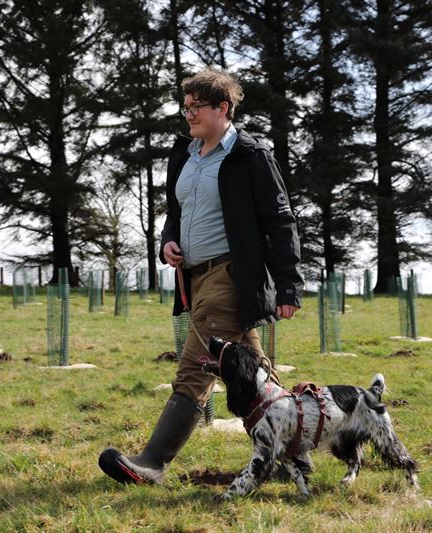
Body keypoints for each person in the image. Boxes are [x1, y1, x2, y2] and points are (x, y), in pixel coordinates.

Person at [98, 67, 303, 485]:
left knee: (196, 367)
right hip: (194, 277)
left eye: (197, 107)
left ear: (222, 108)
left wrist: (288, 285)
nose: (188, 114)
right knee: (251, 370)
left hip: (231, 273)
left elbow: (280, 221)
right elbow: (177, 213)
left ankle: (152, 463)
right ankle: (289, 458)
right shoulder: (185, 155)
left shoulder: (250, 156)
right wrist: (168, 242)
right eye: (185, 107)